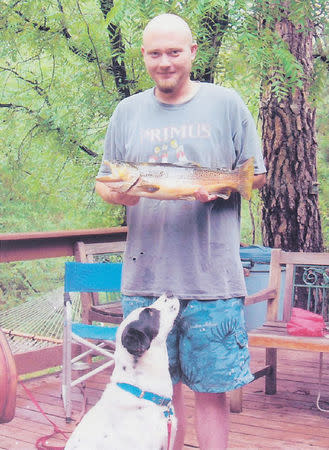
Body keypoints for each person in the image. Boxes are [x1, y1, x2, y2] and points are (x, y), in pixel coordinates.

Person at [95, 13, 266, 450]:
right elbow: (105, 182)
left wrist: (222, 186)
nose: (165, 61)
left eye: (174, 51)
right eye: (155, 53)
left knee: (212, 395)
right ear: (144, 56)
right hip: (145, 284)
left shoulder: (226, 103)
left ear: (192, 52)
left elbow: (255, 174)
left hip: (213, 281)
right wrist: (124, 196)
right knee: (157, 399)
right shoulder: (126, 112)